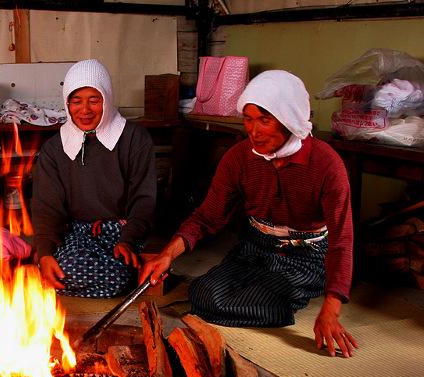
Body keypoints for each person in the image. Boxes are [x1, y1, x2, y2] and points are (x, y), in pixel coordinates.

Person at [140, 70, 358, 358]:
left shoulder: (326, 164)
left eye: (265, 120)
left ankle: (295, 289)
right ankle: (269, 289)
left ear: (289, 119)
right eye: (248, 119)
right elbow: (208, 216)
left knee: (251, 301)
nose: (254, 131)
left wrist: (332, 309)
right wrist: (167, 254)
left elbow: (342, 240)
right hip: (256, 247)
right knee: (203, 292)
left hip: (306, 253)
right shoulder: (240, 157)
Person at [32, 59, 157, 297]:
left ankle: (116, 277)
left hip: (123, 232)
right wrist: (45, 254)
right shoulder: (54, 149)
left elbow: (144, 199)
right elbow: (46, 209)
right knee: (63, 268)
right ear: (66, 103)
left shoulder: (134, 139)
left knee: (118, 274)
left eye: (94, 100)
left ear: (107, 100)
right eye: (76, 101)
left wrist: (128, 240)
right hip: (77, 234)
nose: (85, 110)